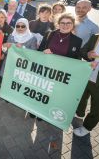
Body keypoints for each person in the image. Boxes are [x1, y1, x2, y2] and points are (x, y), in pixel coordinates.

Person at [37, 13, 82, 149]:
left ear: (73, 25)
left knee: (55, 94)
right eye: (63, 22)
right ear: (58, 23)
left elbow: (76, 60)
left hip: (61, 76)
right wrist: (44, 52)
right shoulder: (49, 34)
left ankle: (51, 113)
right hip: (46, 71)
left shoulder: (77, 40)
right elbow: (39, 50)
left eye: (68, 23)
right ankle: (40, 112)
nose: (65, 25)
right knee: (44, 91)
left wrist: (87, 65)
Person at [0, 18, 39, 87]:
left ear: (27, 27)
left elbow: (34, 54)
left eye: (23, 26)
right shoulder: (12, 36)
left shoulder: (32, 38)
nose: (20, 28)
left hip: (22, 66)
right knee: (2, 87)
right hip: (9, 64)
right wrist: (4, 47)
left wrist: (23, 48)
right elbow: (6, 52)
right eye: (18, 26)